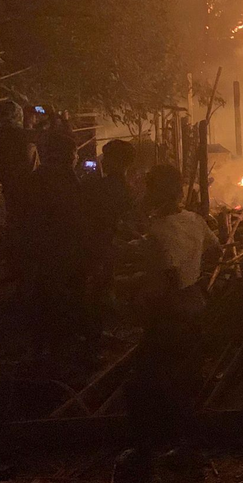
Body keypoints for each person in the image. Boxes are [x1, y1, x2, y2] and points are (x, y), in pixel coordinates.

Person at [119, 165, 219, 482]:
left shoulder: (159, 232)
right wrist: (196, 274)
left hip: (170, 315)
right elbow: (215, 250)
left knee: (142, 383)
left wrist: (136, 292)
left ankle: (143, 452)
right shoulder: (194, 220)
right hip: (194, 306)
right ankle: (188, 449)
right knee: (184, 381)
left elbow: (167, 280)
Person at [23, 129, 88, 373]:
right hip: (63, 253)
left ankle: (43, 354)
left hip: (43, 252)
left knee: (45, 301)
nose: (77, 158)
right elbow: (76, 219)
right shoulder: (66, 179)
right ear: (67, 155)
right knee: (64, 304)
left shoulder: (38, 177)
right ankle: (61, 360)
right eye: (74, 153)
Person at [81, 139, 139, 356]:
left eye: (107, 158)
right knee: (103, 288)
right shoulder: (127, 189)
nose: (103, 162)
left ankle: (94, 341)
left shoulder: (102, 188)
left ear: (117, 161)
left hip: (97, 246)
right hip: (108, 246)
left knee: (95, 292)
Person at [0, 101, 38, 227]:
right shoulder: (21, 135)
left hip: (6, 181)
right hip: (24, 185)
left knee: (12, 214)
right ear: (17, 115)